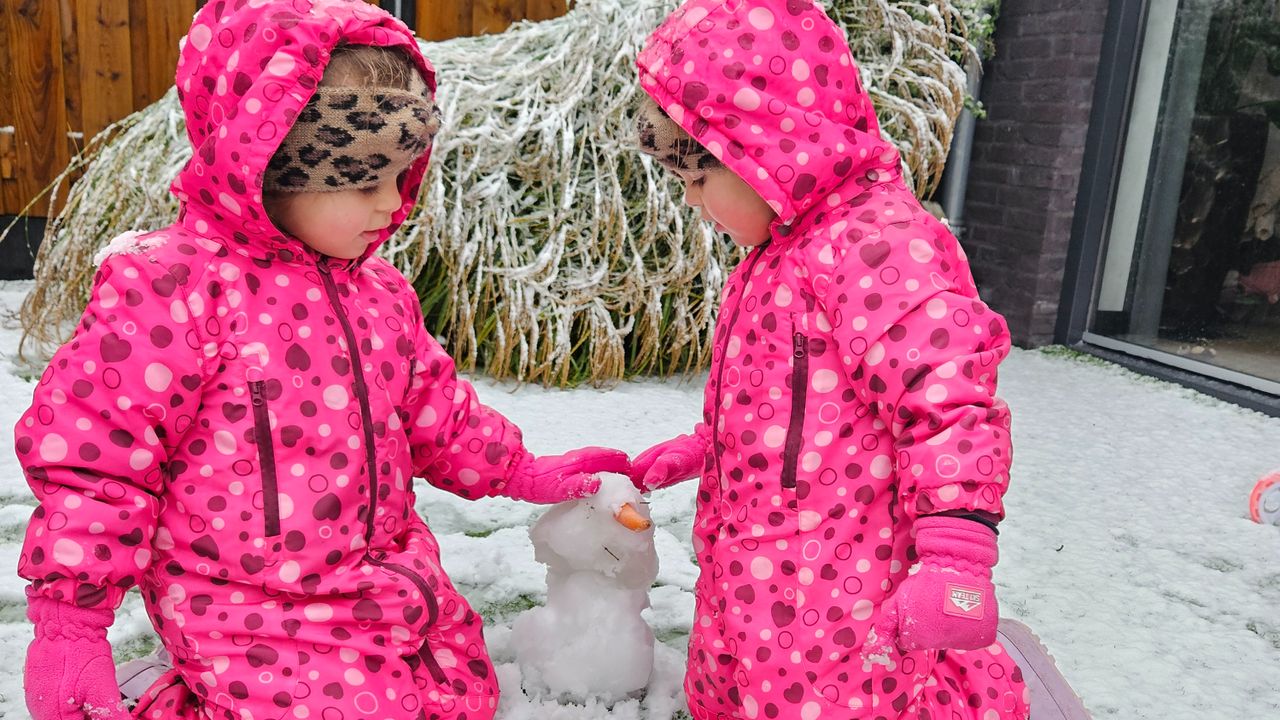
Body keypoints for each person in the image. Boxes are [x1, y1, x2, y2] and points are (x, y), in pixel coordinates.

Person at [16, 2, 627, 719]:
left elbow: (435, 411)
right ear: (267, 166)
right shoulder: (174, 288)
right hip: (244, 598)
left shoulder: (379, 293)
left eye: (401, 176)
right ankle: (165, 691)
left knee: (457, 698)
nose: (392, 204)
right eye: (365, 182)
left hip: (388, 578)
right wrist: (70, 621)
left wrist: (520, 470)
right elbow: (97, 463)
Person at [628, 0, 1030, 717]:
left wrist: (956, 559)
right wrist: (704, 448)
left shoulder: (878, 247)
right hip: (761, 577)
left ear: (762, 150)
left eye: (697, 179)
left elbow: (949, 406)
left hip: (845, 584)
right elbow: (784, 403)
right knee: (751, 685)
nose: (692, 202)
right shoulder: (776, 255)